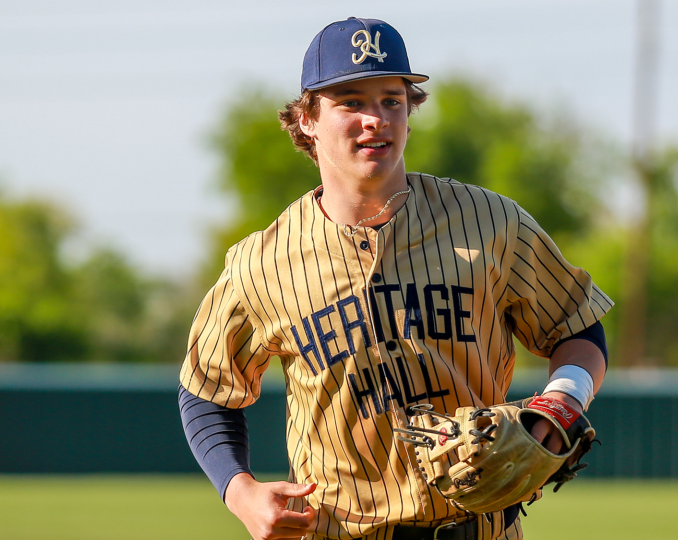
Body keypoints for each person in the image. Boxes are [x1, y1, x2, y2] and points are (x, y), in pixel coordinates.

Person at [178, 17, 612, 540]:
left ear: (411, 110)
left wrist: (562, 399)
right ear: (307, 118)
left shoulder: (491, 224)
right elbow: (206, 390)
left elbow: (575, 326)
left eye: (391, 99)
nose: (375, 119)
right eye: (351, 101)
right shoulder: (262, 262)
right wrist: (240, 490)